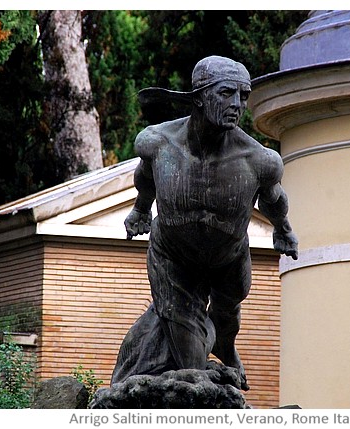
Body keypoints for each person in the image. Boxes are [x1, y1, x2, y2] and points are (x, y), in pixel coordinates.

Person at [112, 56, 298, 390]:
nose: (238, 105)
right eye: (227, 93)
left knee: (226, 315)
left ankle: (225, 346)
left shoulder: (259, 160)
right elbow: (146, 179)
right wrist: (140, 210)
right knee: (190, 354)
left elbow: (274, 199)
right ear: (199, 96)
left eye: (244, 95)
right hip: (173, 254)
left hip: (228, 255)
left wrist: (283, 229)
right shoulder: (156, 142)